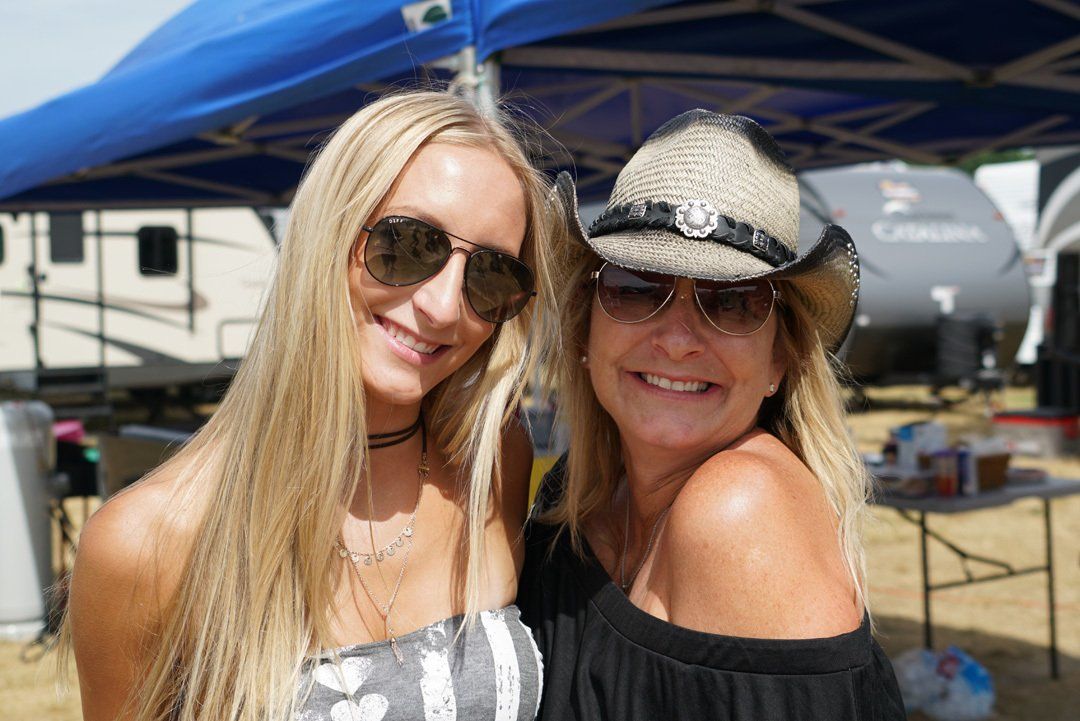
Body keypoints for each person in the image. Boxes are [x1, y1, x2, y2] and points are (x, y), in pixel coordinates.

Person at [65, 90, 554, 721]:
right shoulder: (148, 543)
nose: (442, 306)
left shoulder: (490, 461)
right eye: (409, 244)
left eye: (492, 274)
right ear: (328, 232)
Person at [518, 110, 906, 720]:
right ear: (585, 327)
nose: (677, 341)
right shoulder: (577, 489)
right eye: (635, 287)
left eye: (732, 302)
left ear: (779, 359)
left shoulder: (739, 507)